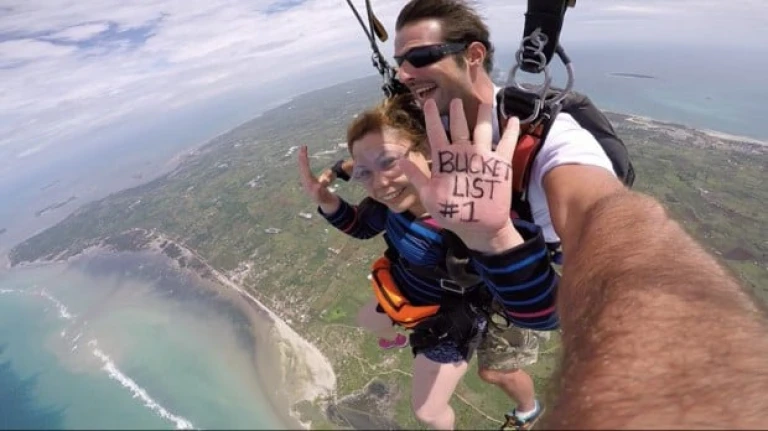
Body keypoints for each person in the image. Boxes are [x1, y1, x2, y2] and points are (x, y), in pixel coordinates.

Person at [297, 94, 557, 430]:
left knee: (436, 407)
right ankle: (400, 325)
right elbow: (361, 226)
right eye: (364, 173)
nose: (378, 183)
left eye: (388, 162)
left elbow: (538, 309)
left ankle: (528, 410)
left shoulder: (467, 220)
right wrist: (327, 200)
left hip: (453, 318)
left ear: (430, 154)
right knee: (368, 319)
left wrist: (497, 235)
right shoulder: (391, 207)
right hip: (413, 296)